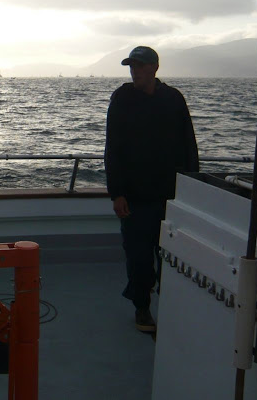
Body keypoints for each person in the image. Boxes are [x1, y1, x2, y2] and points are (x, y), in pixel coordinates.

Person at [104, 45, 199, 333]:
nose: (134, 71)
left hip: (171, 195)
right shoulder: (121, 99)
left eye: (139, 65)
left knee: (172, 256)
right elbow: (113, 149)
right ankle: (142, 306)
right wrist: (117, 193)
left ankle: (171, 304)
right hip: (135, 198)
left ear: (154, 68)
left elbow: (189, 146)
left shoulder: (173, 99)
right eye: (131, 66)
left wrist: (192, 188)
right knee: (139, 257)